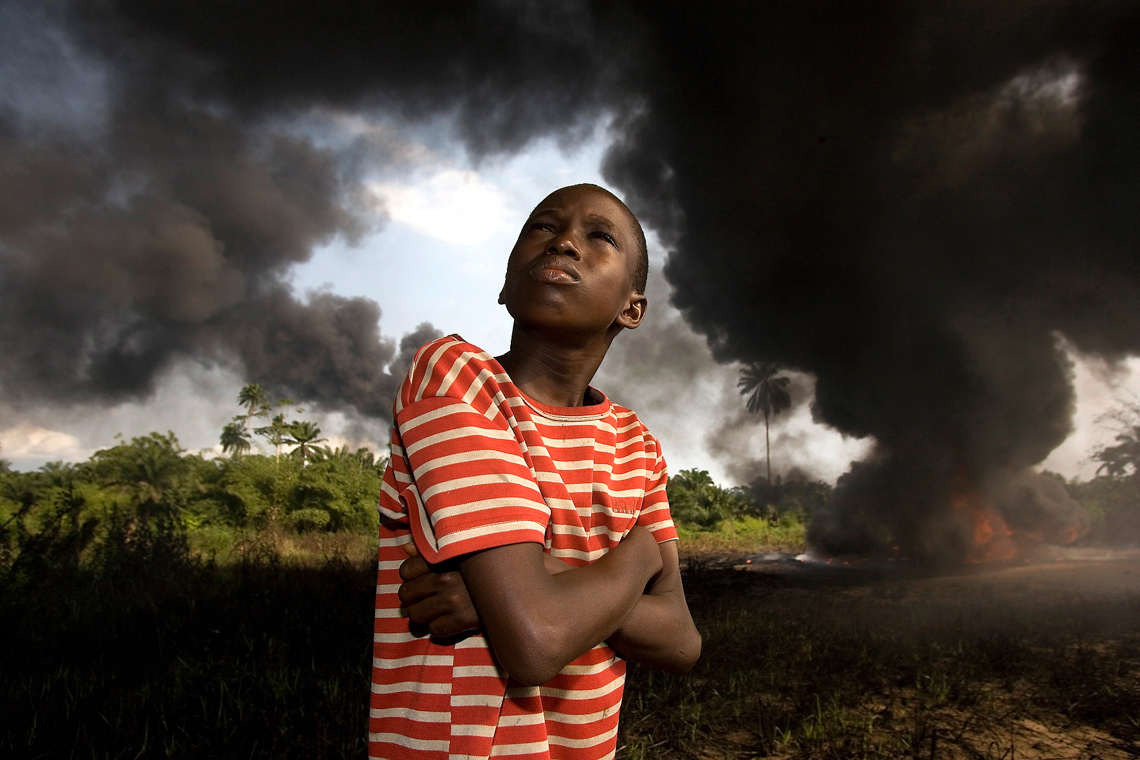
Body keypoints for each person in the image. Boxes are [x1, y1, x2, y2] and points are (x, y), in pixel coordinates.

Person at [369, 184, 701, 760]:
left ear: (632, 307)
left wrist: (505, 588)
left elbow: (680, 640)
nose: (565, 241)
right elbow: (536, 640)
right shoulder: (455, 379)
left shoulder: (636, 444)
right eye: (542, 228)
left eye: (599, 237)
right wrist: (640, 554)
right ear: (505, 283)